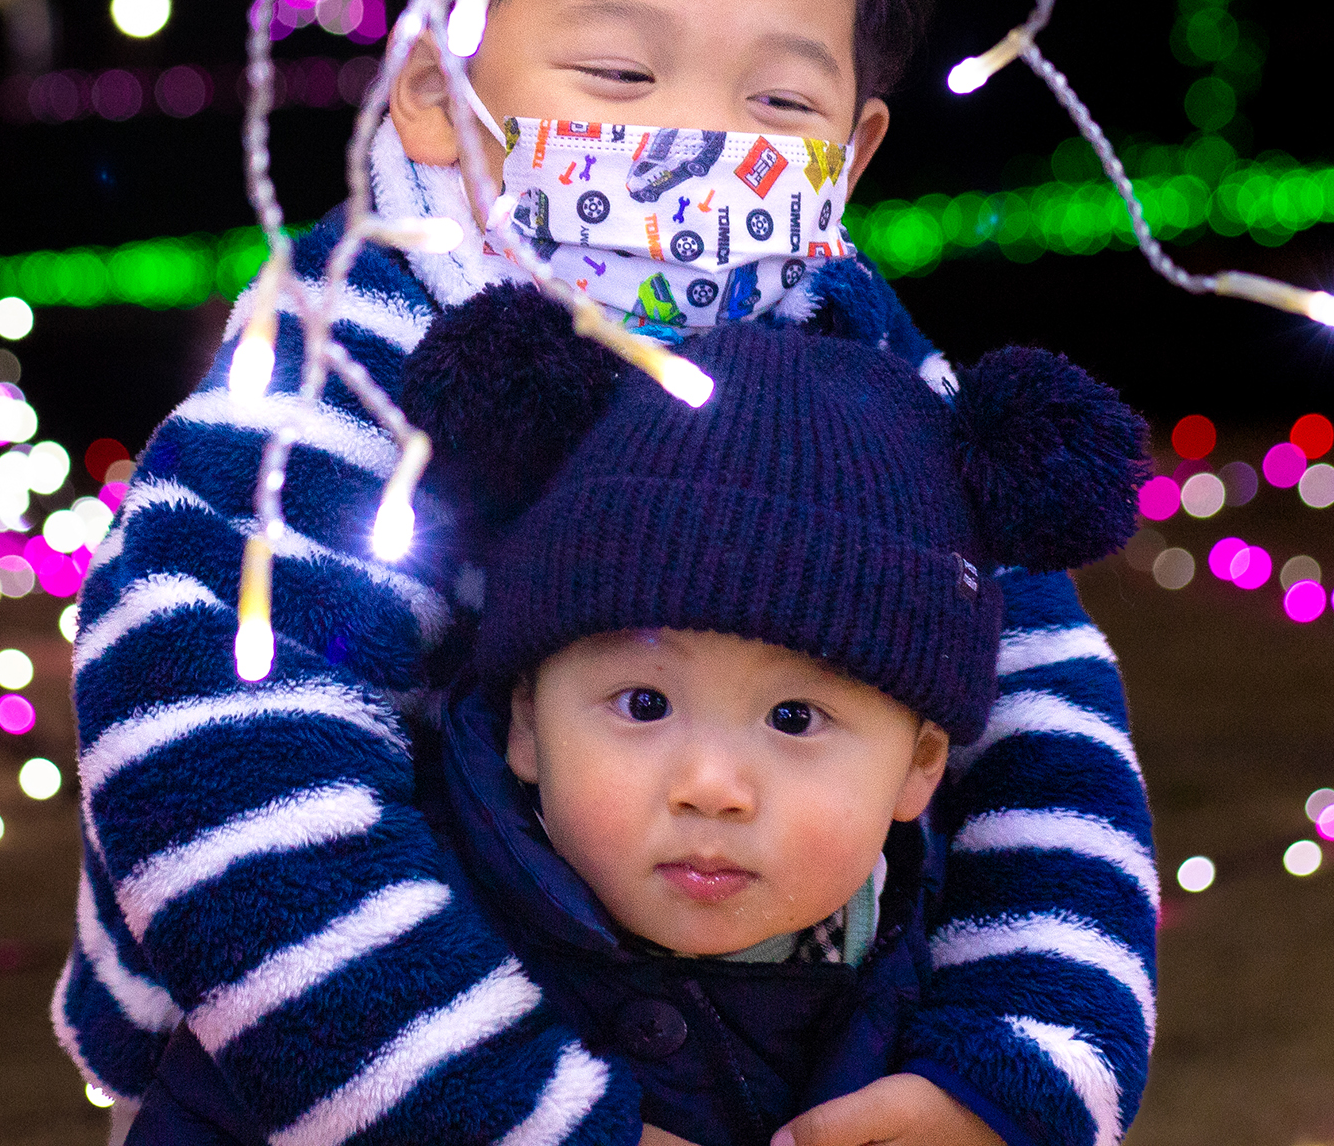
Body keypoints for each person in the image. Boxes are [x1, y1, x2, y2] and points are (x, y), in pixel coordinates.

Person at [59, 0, 1159, 1146]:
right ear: (436, 93)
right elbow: (217, 745)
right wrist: (523, 1120)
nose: (694, 141)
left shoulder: (849, 350)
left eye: (777, 108)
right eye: (619, 75)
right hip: (313, 1073)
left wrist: (1016, 1064)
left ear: (853, 154)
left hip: (761, 1048)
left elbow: (1039, 715)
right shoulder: (347, 358)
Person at [128, 290, 1149, 1146]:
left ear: (923, 762)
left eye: (796, 715)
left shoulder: (940, 987)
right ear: (525, 718)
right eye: (644, 702)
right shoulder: (384, 958)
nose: (711, 781)